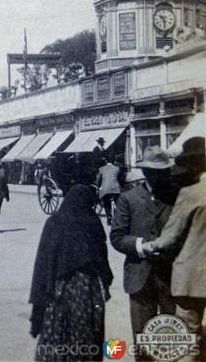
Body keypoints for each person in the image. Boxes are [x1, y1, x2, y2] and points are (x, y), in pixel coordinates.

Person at [29, 184, 113, 362]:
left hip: (59, 290)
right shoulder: (93, 222)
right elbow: (102, 260)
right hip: (88, 290)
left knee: (57, 333)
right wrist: (106, 284)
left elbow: (42, 265)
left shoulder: (55, 221)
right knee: (87, 334)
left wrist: (37, 307)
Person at [142, 137, 206, 362]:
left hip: (192, 279)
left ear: (195, 166)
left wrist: (150, 245)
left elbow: (170, 236)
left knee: (189, 339)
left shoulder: (191, 193)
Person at [110, 146, 176, 358]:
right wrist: (140, 246)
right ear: (146, 172)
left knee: (171, 339)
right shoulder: (128, 199)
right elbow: (117, 237)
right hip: (139, 277)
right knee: (142, 340)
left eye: (163, 171)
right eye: (154, 172)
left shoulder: (176, 197)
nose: (159, 176)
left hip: (170, 277)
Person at [96, 155, 122, 225]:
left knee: (106, 203)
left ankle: (108, 217)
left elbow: (98, 180)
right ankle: (119, 217)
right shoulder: (117, 168)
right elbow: (120, 178)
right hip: (116, 189)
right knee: (118, 203)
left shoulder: (101, 169)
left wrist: (98, 187)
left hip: (105, 190)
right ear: (114, 161)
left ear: (105, 161)